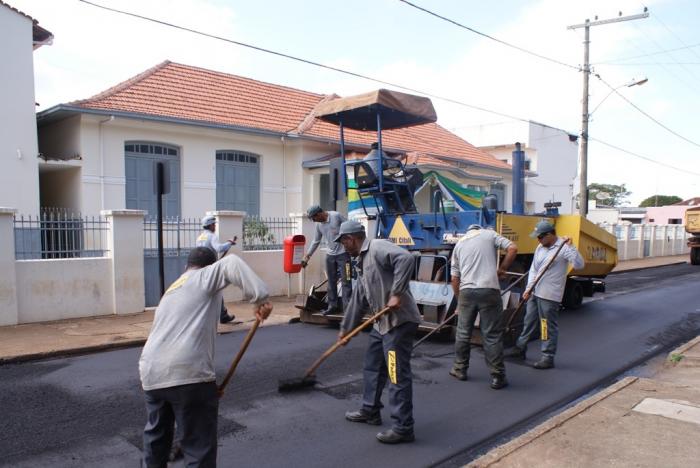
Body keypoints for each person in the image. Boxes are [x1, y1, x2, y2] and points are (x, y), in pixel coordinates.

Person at [139, 247, 272, 467]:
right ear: (210, 267)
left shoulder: (173, 288)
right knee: (198, 448)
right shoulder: (203, 276)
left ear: (186, 266)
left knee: (156, 442)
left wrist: (206, 386)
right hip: (187, 372)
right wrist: (261, 299)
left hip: (151, 372)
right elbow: (231, 264)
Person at [336, 220, 421, 444]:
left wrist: (397, 293)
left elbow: (406, 258)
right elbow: (358, 299)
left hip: (398, 323)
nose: (343, 246)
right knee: (372, 366)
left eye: (343, 241)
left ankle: (404, 428)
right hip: (381, 324)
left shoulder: (377, 247)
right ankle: (370, 410)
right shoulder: (360, 262)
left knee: (396, 374)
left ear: (351, 238)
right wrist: (346, 330)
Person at [505, 221, 584, 369]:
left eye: (540, 237)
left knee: (546, 325)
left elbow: (579, 265)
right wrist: (528, 289)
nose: (538, 240)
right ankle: (520, 348)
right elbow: (534, 270)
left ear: (550, 235)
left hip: (549, 295)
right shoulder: (540, 247)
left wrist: (571, 247)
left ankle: (547, 356)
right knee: (528, 320)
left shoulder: (563, 248)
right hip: (535, 290)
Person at [449, 224, 518, 390]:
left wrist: (460, 301)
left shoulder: (459, 244)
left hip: (466, 291)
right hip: (489, 289)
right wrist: (502, 269)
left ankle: (459, 369)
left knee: (463, 333)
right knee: (492, 335)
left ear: (469, 231)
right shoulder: (489, 234)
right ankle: (497, 377)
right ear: (480, 229)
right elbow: (513, 248)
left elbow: (454, 278)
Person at [302, 205, 352, 316]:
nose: (314, 221)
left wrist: (351, 246)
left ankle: (348, 309)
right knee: (331, 282)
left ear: (319, 214)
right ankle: (332, 306)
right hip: (330, 256)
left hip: (344, 255)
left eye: (314, 218)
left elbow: (349, 227)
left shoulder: (336, 216)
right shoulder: (319, 226)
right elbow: (316, 241)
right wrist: (307, 256)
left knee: (346, 281)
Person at [197, 215, 237, 324]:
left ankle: (219, 314)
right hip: (211, 267)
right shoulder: (212, 236)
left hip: (201, 266)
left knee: (209, 290)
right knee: (217, 289)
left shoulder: (200, 237)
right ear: (210, 225)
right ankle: (223, 315)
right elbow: (219, 248)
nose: (215, 226)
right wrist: (229, 243)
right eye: (214, 224)